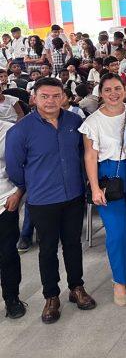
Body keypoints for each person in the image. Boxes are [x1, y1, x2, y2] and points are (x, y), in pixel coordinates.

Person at [6, 77, 97, 324]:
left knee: (72, 244)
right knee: (47, 249)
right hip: (42, 200)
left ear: (64, 97)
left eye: (56, 96)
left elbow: (83, 154)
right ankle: (51, 296)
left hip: (74, 195)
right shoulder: (20, 130)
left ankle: (76, 287)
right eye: (44, 96)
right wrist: (29, 186)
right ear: (34, 98)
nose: (50, 101)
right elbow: (15, 169)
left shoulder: (74, 122)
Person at [79, 73, 126, 306]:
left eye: (118, 88)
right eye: (108, 90)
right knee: (117, 233)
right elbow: (90, 156)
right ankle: (118, 280)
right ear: (101, 93)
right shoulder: (92, 122)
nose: (113, 94)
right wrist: (95, 188)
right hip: (108, 176)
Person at [0, 119, 25, 319]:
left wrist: (18, 193)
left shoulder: (10, 132)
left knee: (7, 255)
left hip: (4, 202)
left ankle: (12, 299)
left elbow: (25, 164)